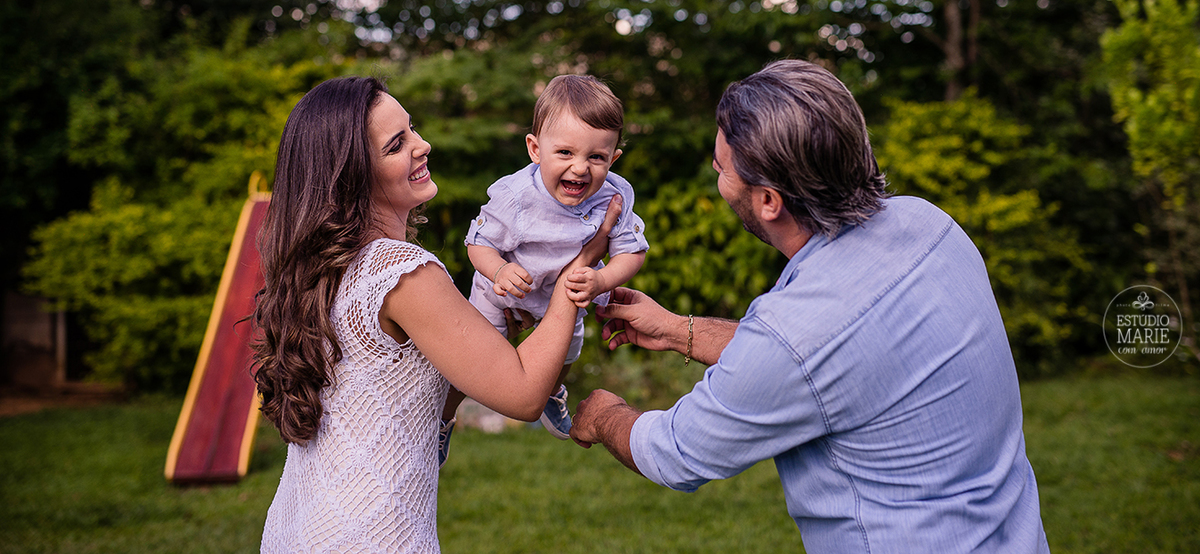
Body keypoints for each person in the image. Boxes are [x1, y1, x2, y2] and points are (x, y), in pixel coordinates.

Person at [570, 60, 1051, 553]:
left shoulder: (796, 333)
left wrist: (606, 416)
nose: (718, 179)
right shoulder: (932, 226)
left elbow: (677, 452)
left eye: (722, 170)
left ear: (769, 201)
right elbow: (845, 354)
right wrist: (678, 330)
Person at [251, 76, 620, 553]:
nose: (423, 145)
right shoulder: (401, 272)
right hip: (373, 537)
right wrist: (580, 267)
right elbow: (527, 394)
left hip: (299, 529)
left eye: (413, 128)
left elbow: (402, 401)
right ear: (354, 174)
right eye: (396, 144)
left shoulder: (325, 266)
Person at [439, 74, 648, 452]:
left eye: (596, 157)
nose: (581, 168)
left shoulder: (616, 195)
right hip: (503, 291)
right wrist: (499, 270)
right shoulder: (515, 196)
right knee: (467, 364)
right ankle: (443, 418)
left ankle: (551, 392)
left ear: (614, 157)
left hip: (565, 293)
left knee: (568, 349)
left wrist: (602, 282)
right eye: (565, 153)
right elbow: (478, 244)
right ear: (535, 149)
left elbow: (632, 251)